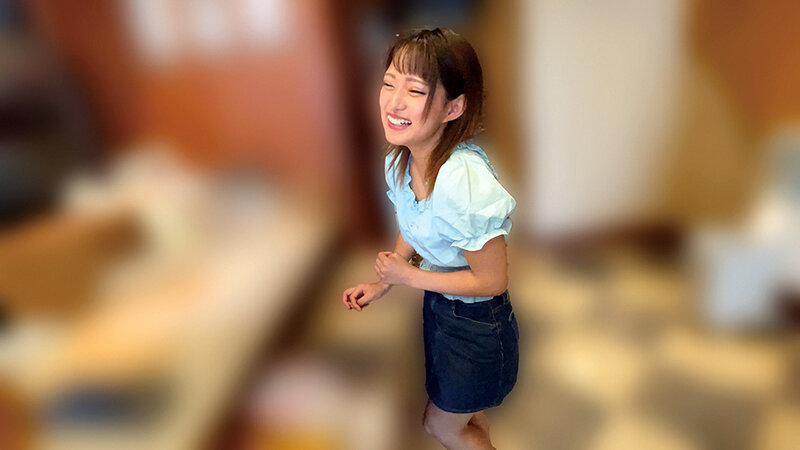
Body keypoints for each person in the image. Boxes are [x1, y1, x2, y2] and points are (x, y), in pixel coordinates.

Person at [342, 28, 518, 450]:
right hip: (441, 311)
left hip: (478, 324)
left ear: (453, 107)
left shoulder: (462, 181)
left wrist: (408, 277)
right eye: (389, 83)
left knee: (441, 426)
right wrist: (383, 282)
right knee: (467, 419)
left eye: (416, 91)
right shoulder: (400, 160)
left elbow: (492, 281)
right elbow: (415, 223)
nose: (394, 103)